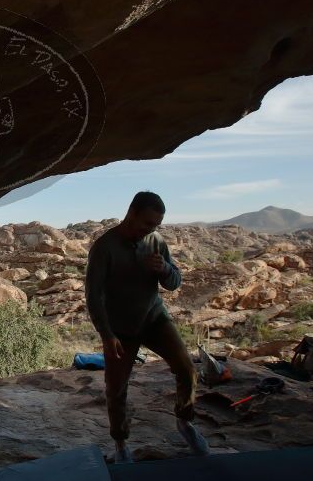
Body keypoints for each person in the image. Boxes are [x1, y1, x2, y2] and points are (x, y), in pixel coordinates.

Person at [85, 191, 209, 463]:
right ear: (131, 213)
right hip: (120, 330)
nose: (151, 229)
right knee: (116, 388)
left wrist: (164, 268)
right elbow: (93, 296)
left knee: (187, 368)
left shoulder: (155, 241)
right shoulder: (105, 247)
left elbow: (174, 282)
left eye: (156, 225)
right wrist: (107, 335)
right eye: (147, 223)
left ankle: (185, 421)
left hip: (154, 318)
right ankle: (120, 444)